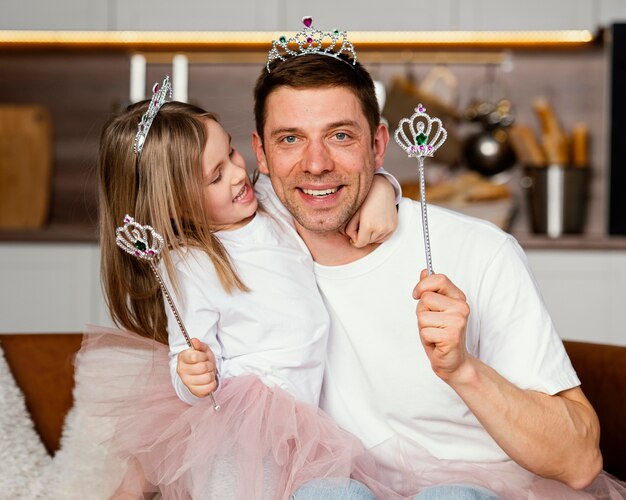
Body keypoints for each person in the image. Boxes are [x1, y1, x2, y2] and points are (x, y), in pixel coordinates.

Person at [250, 20, 626, 500]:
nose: (317, 162)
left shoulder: (479, 251)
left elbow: (578, 461)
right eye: (290, 139)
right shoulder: (247, 249)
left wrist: (463, 368)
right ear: (260, 153)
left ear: (379, 145)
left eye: (340, 136)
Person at [79, 77, 403, 499]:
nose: (237, 172)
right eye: (215, 176)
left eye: (230, 151)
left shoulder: (270, 201)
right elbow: (186, 352)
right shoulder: (191, 263)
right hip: (243, 426)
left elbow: (332, 192)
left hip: (304, 419)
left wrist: (383, 189)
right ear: (175, 204)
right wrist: (190, 375)